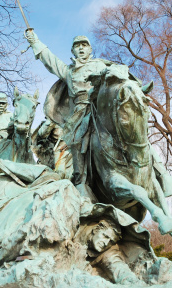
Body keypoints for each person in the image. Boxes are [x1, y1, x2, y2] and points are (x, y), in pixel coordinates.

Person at [25, 31, 130, 195]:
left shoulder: (100, 65)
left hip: (100, 108)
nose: (81, 48)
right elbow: (51, 61)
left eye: (84, 45)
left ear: (90, 50)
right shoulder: (69, 71)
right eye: (77, 46)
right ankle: (81, 180)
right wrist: (35, 42)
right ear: (73, 51)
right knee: (75, 140)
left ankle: (151, 169)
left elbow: (118, 78)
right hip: (80, 112)